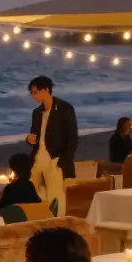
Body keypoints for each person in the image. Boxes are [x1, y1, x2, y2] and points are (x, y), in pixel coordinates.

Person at [26, 76, 77, 216]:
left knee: (56, 199)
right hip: (37, 159)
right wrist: (30, 140)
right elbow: (34, 135)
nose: (33, 96)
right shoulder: (36, 113)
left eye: (35, 92)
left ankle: (56, 226)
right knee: (32, 196)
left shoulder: (64, 108)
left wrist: (63, 162)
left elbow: (72, 138)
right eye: (31, 93)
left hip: (55, 159)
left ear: (46, 90)